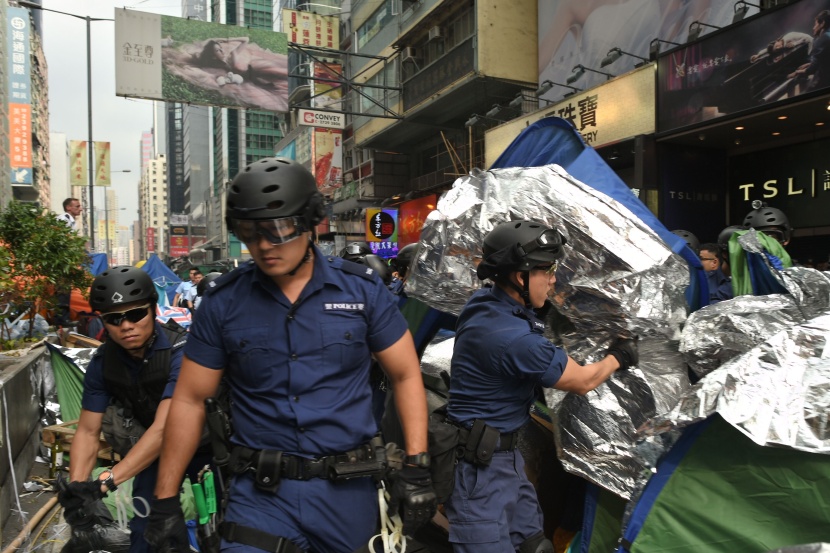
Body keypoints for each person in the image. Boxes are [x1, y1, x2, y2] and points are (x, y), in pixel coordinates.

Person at [145, 157, 435, 553]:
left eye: (277, 229)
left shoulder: (362, 292)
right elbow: (190, 400)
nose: (264, 245)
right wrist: (164, 501)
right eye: (249, 232)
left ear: (309, 221)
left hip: (348, 493)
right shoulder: (223, 303)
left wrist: (417, 466)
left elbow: (405, 374)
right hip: (259, 497)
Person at [445, 219, 638, 553]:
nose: (553, 279)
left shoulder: (486, 303)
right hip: (479, 475)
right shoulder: (511, 338)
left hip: (505, 458)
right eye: (546, 271)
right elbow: (583, 381)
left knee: (535, 545)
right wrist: (619, 356)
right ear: (520, 277)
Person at [57, 266, 212, 553]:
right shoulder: (102, 363)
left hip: (206, 448)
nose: (126, 325)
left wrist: (104, 482)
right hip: (155, 454)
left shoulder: (182, 350)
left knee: (222, 532)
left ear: (153, 309)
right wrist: (78, 490)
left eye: (136, 314)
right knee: (147, 536)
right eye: (114, 318)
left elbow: (167, 427)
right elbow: (88, 432)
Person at [194, 37, 287, 87]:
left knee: (278, 70)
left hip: (254, 69)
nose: (222, 51)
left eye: (221, 48)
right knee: (277, 84)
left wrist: (228, 39)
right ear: (213, 56)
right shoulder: (217, 67)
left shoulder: (231, 55)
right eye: (218, 50)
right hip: (250, 78)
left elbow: (246, 39)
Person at [788, 10, 830, 90]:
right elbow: (823, 60)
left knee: (806, 94)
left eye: (815, 24)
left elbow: (812, 70)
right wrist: (809, 64)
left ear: (822, 23)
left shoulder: (823, 39)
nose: (813, 28)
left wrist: (798, 72)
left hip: (825, 82)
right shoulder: (828, 36)